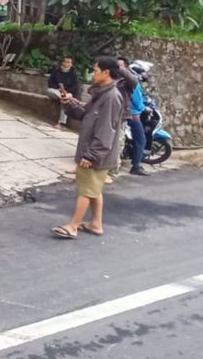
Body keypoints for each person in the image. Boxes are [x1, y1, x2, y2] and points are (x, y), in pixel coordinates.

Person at [51, 56, 124, 239]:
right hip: (97, 152)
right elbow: (85, 114)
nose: (93, 73)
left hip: (97, 154)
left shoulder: (111, 97)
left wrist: (91, 155)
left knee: (85, 190)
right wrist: (70, 103)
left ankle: (73, 226)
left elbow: (106, 130)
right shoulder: (101, 93)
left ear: (106, 73)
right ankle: (96, 224)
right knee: (94, 189)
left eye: (96, 70)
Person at [106, 57, 140, 184]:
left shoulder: (126, 83)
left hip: (121, 116)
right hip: (107, 114)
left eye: (120, 66)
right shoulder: (110, 79)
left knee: (117, 143)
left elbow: (134, 80)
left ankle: (112, 171)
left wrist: (121, 68)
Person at [46, 56, 80, 129]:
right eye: (65, 61)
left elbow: (75, 87)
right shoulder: (56, 72)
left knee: (64, 100)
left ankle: (61, 122)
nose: (66, 64)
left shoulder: (73, 74)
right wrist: (58, 89)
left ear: (71, 64)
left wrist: (67, 92)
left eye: (68, 62)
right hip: (56, 92)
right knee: (49, 91)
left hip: (67, 93)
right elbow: (50, 83)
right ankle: (64, 97)